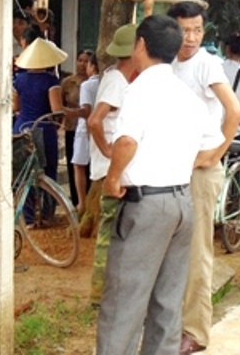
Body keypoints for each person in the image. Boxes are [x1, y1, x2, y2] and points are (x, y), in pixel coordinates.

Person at [95, 15, 224, 355]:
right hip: (181, 201)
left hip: (147, 205)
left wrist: (112, 178)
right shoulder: (188, 96)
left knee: (124, 300)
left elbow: (126, 142)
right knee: (167, 299)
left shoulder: (138, 90)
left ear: (140, 45)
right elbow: (212, 145)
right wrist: (179, 164)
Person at [166, 1, 240, 355]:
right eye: (185, 30)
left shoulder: (207, 63)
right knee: (173, 249)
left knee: (197, 251)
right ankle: (173, 324)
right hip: (174, 167)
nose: (192, 37)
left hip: (200, 169)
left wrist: (215, 153)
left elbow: (234, 110)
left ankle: (196, 331)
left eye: (197, 30)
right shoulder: (167, 63)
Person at [84, 23, 137, 305]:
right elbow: (95, 120)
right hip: (109, 169)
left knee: (112, 232)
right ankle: (99, 295)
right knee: (109, 234)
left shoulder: (116, 77)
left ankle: (103, 293)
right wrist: (107, 149)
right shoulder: (116, 81)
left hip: (109, 168)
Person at [13, 37, 67, 223]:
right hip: (43, 128)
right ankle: (47, 215)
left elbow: (16, 107)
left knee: (24, 173)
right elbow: (56, 110)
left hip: (21, 128)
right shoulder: (51, 81)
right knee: (48, 171)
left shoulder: (19, 80)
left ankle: (28, 218)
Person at [66, 52, 99, 214]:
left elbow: (86, 111)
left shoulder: (87, 85)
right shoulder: (107, 82)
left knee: (79, 166)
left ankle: (82, 203)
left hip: (85, 129)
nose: (83, 65)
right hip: (101, 129)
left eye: (87, 63)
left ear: (92, 66)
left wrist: (67, 111)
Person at [61, 49, 93, 207]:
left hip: (90, 129)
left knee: (89, 167)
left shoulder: (95, 83)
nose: (82, 64)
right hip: (71, 128)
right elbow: (60, 104)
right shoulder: (68, 83)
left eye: (86, 61)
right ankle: (76, 202)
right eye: (80, 60)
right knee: (74, 165)